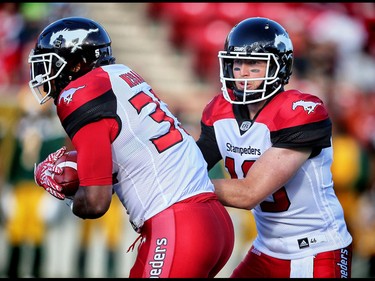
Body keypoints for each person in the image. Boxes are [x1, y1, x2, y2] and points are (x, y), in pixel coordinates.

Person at [28, 16, 234, 278]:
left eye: (50, 64)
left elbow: (95, 203)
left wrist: (65, 192)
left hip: (176, 224)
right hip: (212, 222)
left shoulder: (78, 94)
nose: (44, 76)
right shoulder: (122, 74)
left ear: (77, 63)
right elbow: (132, 153)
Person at [196, 17, 353, 278]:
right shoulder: (218, 111)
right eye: (237, 63)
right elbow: (190, 162)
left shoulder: (300, 112)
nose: (242, 73)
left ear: (279, 67)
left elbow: (249, 194)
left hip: (316, 250)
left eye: (254, 65)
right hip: (266, 249)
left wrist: (184, 183)